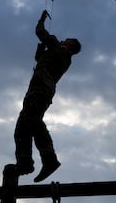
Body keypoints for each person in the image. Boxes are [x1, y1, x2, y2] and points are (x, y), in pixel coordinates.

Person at [14, 10, 81, 183]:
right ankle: (25, 163)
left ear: (70, 46)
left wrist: (42, 19)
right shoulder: (62, 56)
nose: (63, 39)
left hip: (40, 89)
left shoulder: (58, 48)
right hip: (40, 89)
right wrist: (41, 50)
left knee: (32, 121)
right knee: (22, 126)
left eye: (67, 40)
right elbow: (41, 60)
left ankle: (49, 159)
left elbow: (40, 32)